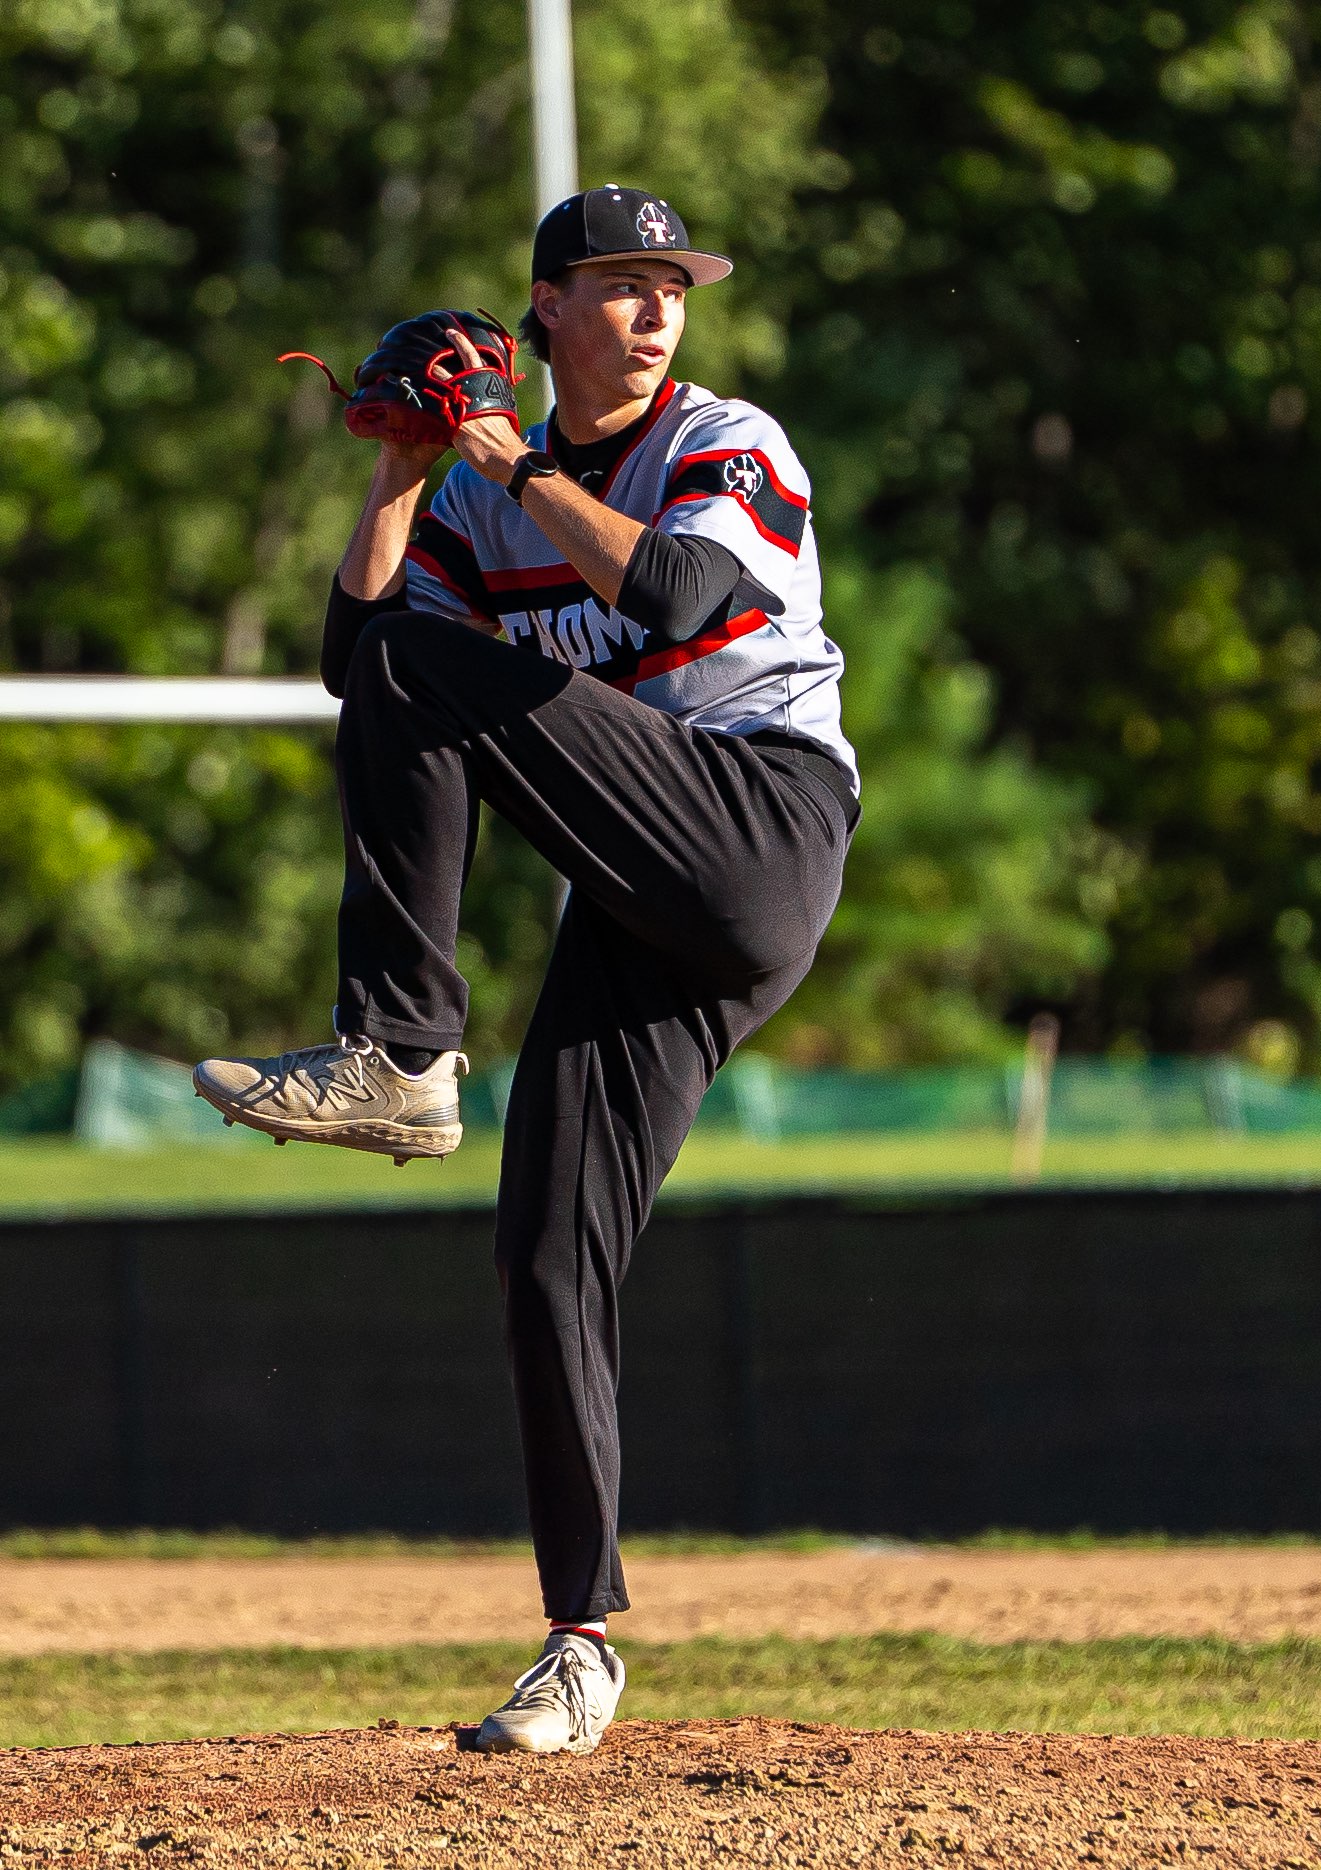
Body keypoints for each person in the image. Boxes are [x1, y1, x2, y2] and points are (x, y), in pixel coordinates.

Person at [193, 186, 858, 1756]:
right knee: (546, 1250)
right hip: (637, 893)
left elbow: (688, 598)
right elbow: (362, 682)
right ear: (544, 308)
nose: (653, 310)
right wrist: (402, 477)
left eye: (668, 286)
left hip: (758, 823)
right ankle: (579, 1645)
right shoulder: (484, 498)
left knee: (442, 662)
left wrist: (502, 459)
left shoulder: (725, 437)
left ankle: (404, 1049)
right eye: (618, 285)